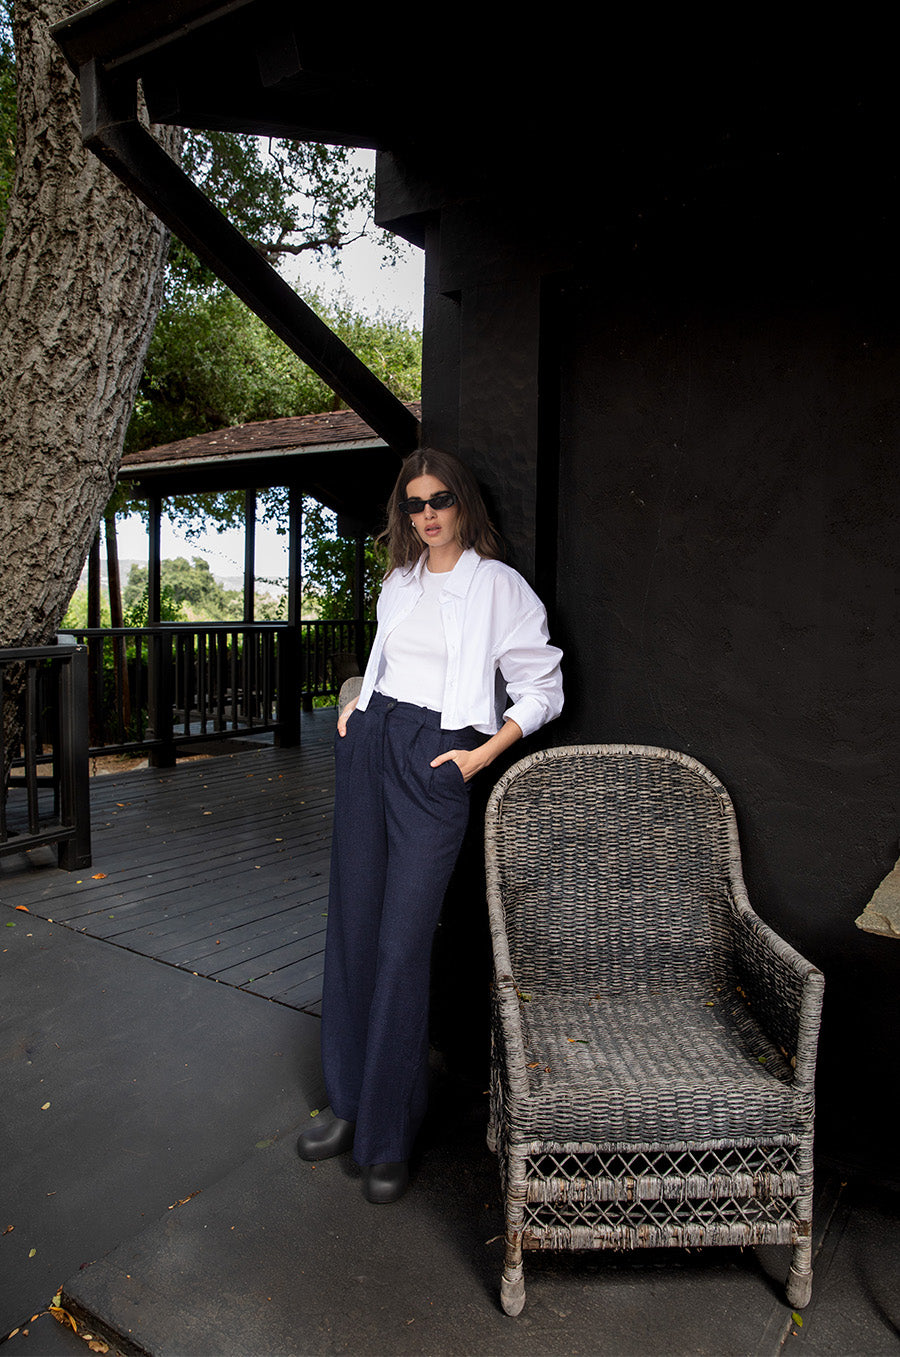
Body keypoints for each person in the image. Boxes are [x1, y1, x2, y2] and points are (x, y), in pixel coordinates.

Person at [296, 447, 563, 1203]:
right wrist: (356, 701)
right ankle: (348, 1105)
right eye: (413, 504)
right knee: (353, 927)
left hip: (439, 758)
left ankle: (387, 1131)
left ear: (462, 503)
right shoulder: (400, 582)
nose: (427, 514)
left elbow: (542, 685)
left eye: (439, 499)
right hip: (371, 744)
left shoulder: (497, 586)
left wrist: (480, 757)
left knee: (403, 941)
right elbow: (383, 664)